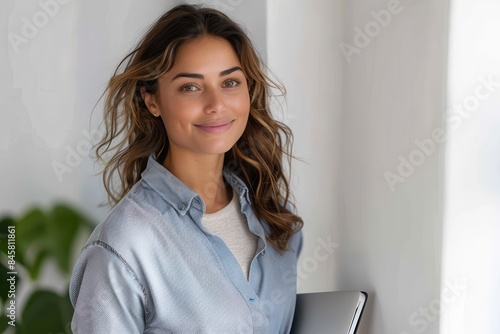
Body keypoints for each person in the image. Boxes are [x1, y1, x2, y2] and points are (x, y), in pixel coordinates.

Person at [69, 4, 303, 333]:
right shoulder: (124, 245)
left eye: (230, 82)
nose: (216, 104)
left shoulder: (276, 222)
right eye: (190, 87)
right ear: (152, 100)